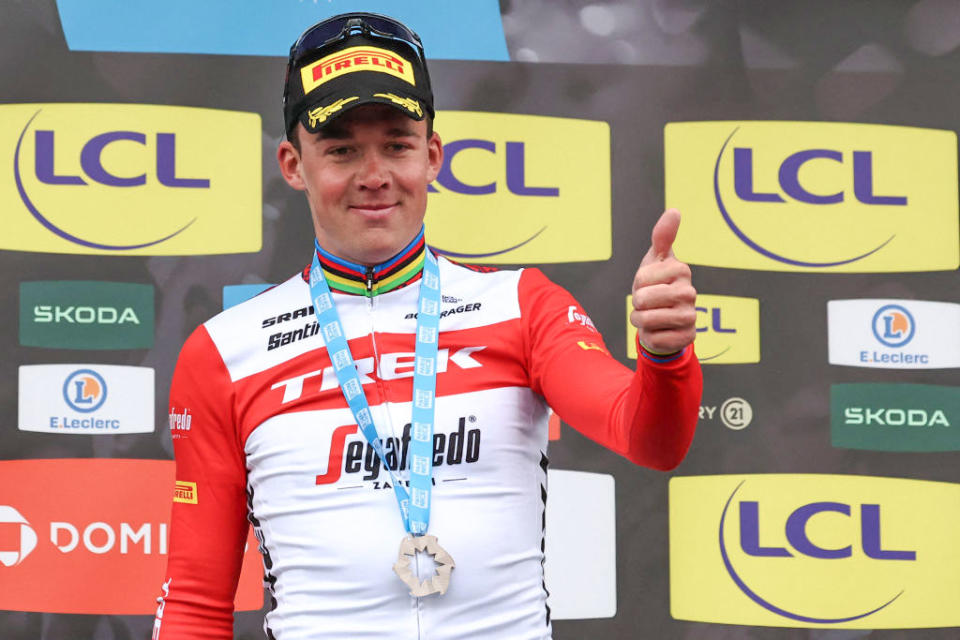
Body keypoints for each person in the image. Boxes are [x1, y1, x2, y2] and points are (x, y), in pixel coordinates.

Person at [153, 12, 702, 640]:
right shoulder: (226, 351)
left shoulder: (522, 304)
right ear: (292, 164)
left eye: (397, 144)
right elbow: (196, 604)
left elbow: (652, 439)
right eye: (340, 150)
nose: (374, 175)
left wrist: (664, 357)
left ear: (433, 155)